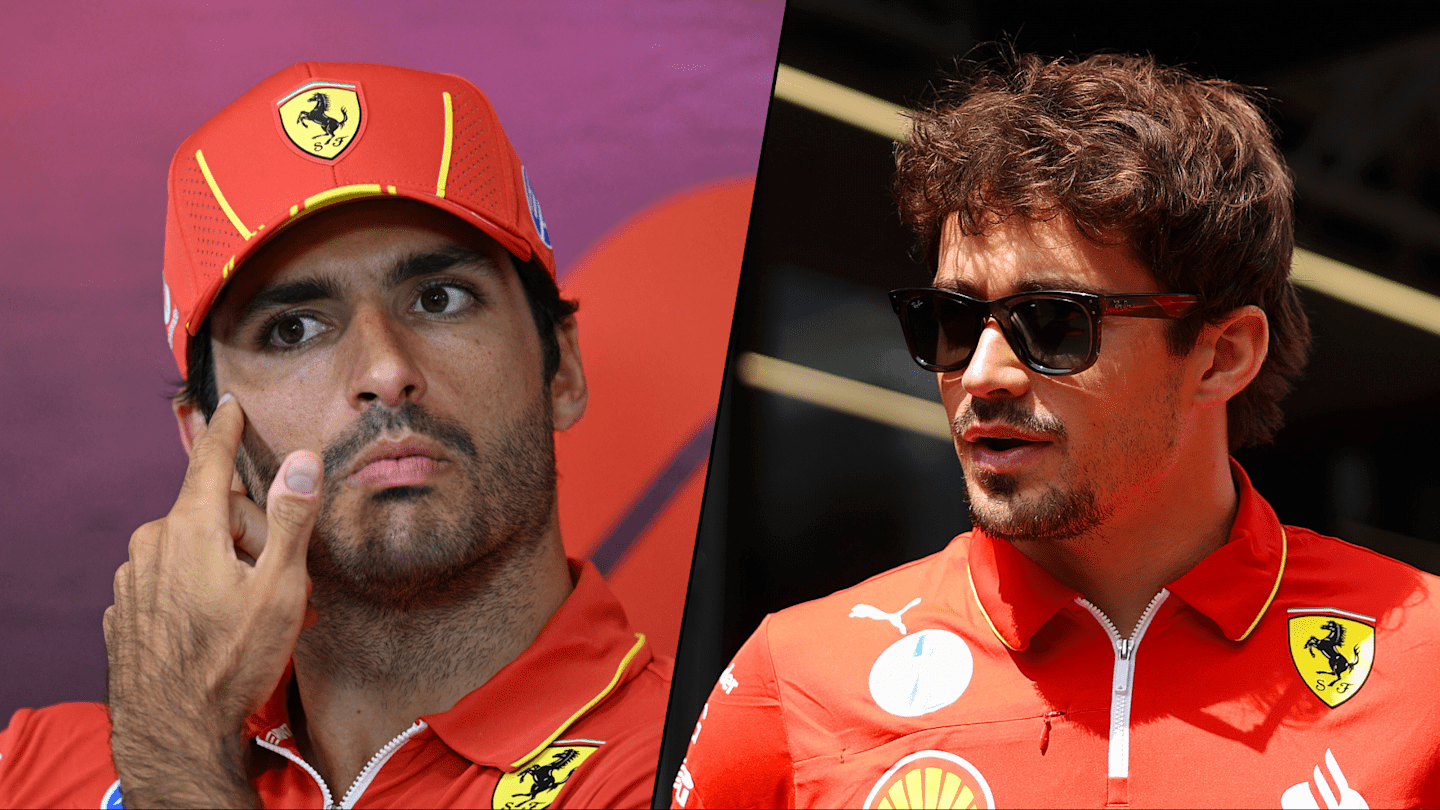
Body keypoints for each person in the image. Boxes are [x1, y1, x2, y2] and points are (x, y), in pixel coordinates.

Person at [675, 53, 1440, 809]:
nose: (981, 374)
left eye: (1051, 322)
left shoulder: (1425, 665)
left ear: (1222, 355)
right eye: (949, 319)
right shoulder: (794, 679)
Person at [0, 62, 668, 809]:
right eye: (293, 329)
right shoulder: (31, 772)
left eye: (440, 299)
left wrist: (180, 755)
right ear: (202, 443)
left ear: (562, 370)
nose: (385, 371)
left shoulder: (718, 760)